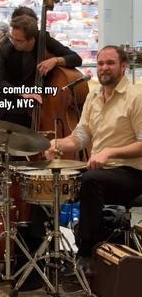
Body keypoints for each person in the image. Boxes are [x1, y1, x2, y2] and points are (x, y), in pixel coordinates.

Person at [45, 45, 142, 270]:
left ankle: (86, 252)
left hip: (133, 172)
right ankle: (47, 252)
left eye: (110, 63)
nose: (104, 68)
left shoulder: (136, 97)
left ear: (123, 66)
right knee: (53, 177)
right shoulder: (94, 96)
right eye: (100, 63)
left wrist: (110, 152)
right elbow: (80, 136)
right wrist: (57, 144)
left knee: (91, 180)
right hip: (100, 171)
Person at [0, 8, 82, 127]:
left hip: (44, 108)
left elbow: (76, 58)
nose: (14, 43)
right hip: (12, 108)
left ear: (32, 39)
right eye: (12, 38)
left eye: (19, 40)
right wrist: (22, 93)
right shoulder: (6, 49)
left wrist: (55, 60)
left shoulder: (44, 40)